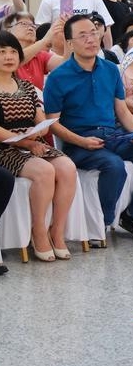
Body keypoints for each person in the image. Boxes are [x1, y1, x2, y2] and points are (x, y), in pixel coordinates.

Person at [43, 14, 133, 241]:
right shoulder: (57, 77)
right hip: (79, 142)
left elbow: (121, 110)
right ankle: (102, 224)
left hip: (113, 136)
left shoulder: (111, 69)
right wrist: (81, 141)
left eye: (93, 32)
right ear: (70, 43)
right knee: (114, 165)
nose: (91, 39)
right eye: (83, 35)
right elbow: (53, 123)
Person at [0, 32, 77, 261]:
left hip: (34, 142)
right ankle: (39, 231)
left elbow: (40, 118)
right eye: (2, 52)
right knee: (45, 171)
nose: (9, 56)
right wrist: (25, 141)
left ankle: (57, 230)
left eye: (13, 51)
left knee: (67, 167)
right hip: (6, 148)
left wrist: (42, 129)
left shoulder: (25, 85)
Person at [5, 12, 65, 90]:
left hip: (35, 101)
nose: (30, 28)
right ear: (9, 30)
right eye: (23, 24)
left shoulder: (40, 55)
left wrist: (67, 38)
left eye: (33, 25)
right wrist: (44, 41)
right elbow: (15, 60)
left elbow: (66, 64)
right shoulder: (3, 51)